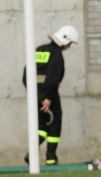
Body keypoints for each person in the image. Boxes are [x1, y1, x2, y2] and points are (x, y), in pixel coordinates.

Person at [22, 25, 79, 165]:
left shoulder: (39, 50)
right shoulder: (56, 54)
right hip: (48, 94)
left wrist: (35, 95)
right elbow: (53, 77)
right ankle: (51, 158)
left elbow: (26, 74)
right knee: (55, 123)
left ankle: (32, 153)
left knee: (42, 125)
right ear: (65, 41)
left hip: (34, 93)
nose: (69, 47)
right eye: (70, 44)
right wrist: (48, 98)